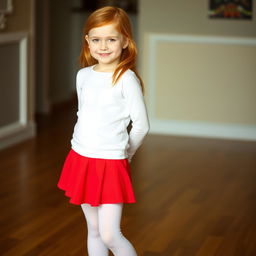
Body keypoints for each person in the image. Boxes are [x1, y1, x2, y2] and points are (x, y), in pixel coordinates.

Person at [57, 6, 149, 256]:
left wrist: (125, 153)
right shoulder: (83, 75)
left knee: (110, 234)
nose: (103, 46)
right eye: (96, 39)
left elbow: (141, 125)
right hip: (81, 158)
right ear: (87, 41)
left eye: (111, 39)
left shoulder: (126, 78)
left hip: (111, 162)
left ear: (125, 41)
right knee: (94, 230)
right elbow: (83, 113)